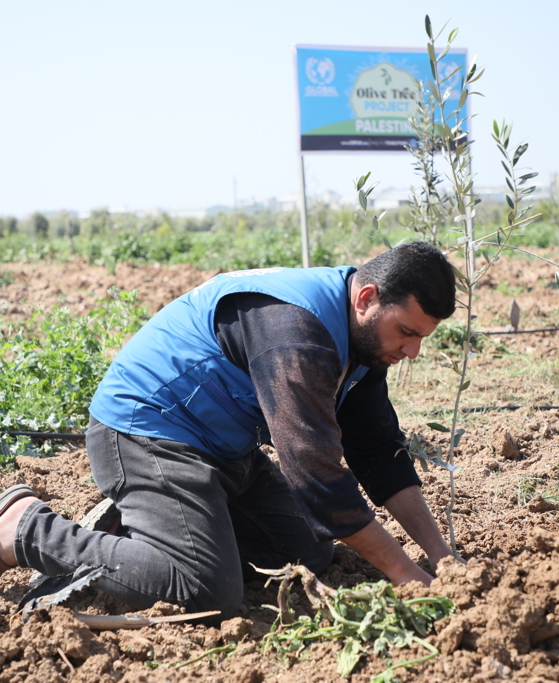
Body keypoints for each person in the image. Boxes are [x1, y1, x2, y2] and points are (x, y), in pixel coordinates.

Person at [0, 241, 456, 620]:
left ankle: (153, 533)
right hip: (146, 433)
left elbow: (378, 453)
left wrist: (443, 560)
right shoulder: (298, 330)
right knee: (204, 591)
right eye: (406, 332)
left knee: (308, 553)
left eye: (421, 338)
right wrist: (407, 577)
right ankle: (24, 528)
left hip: (222, 451)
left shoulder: (365, 339)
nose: (412, 350)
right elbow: (318, 477)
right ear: (366, 298)